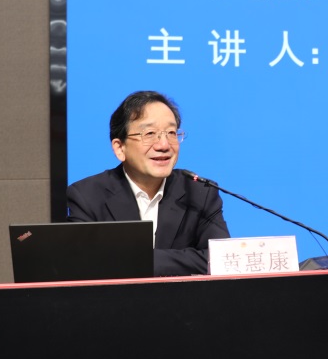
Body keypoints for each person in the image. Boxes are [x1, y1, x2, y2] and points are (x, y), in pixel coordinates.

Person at [67, 90, 228, 276]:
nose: (164, 145)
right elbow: (83, 264)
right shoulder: (87, 196)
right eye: (150, 133)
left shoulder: (200, 192)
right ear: (120, 148)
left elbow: (220, 259)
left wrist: (138, 259)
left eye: (171, 133)